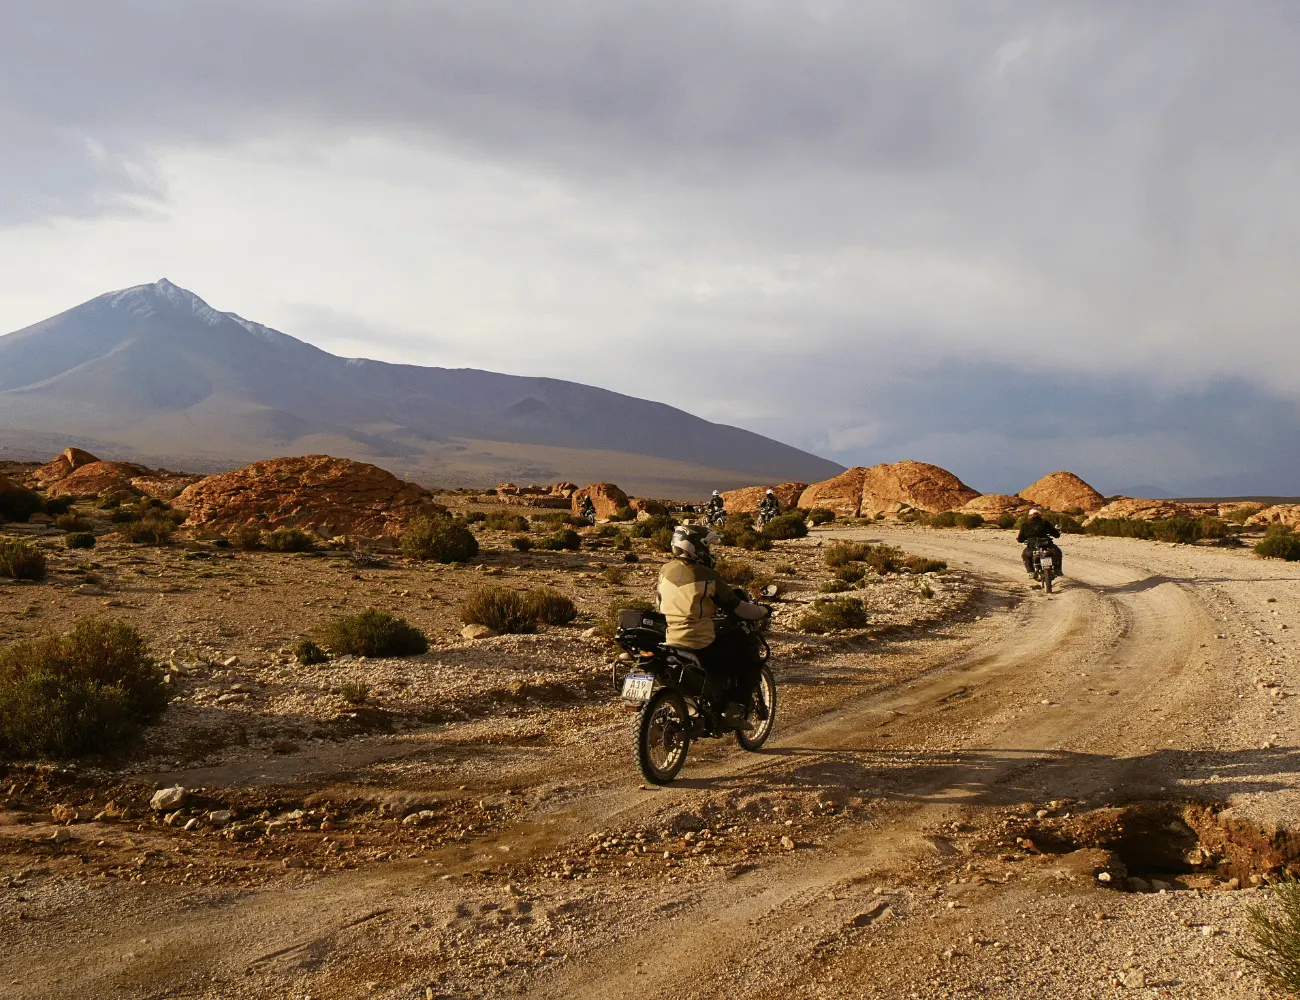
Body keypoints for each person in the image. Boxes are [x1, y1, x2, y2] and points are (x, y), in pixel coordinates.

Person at [658, 523, 769, 725]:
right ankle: (734, 709)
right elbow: (736, 607)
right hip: (697, 640)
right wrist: (763, 611)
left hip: (669, 636)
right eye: (707, 545)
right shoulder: (707, 575)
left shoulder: (665, 570)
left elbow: (660, 602)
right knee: (746, 653)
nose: (709, 551)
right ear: (695, 546)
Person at [1017, 508, 1063, 576]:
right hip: (1047, 545)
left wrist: (1021, 539)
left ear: (1030, 516)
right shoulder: (1045, 522)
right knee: (1058, 552)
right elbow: (1056, 534)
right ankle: (1057, 570)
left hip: (1033, 546)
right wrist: (1056, 533)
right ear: (1040, 515)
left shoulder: (1025, 525)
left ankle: (1031, 572)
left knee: (1025, 555)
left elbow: (1020, 539)